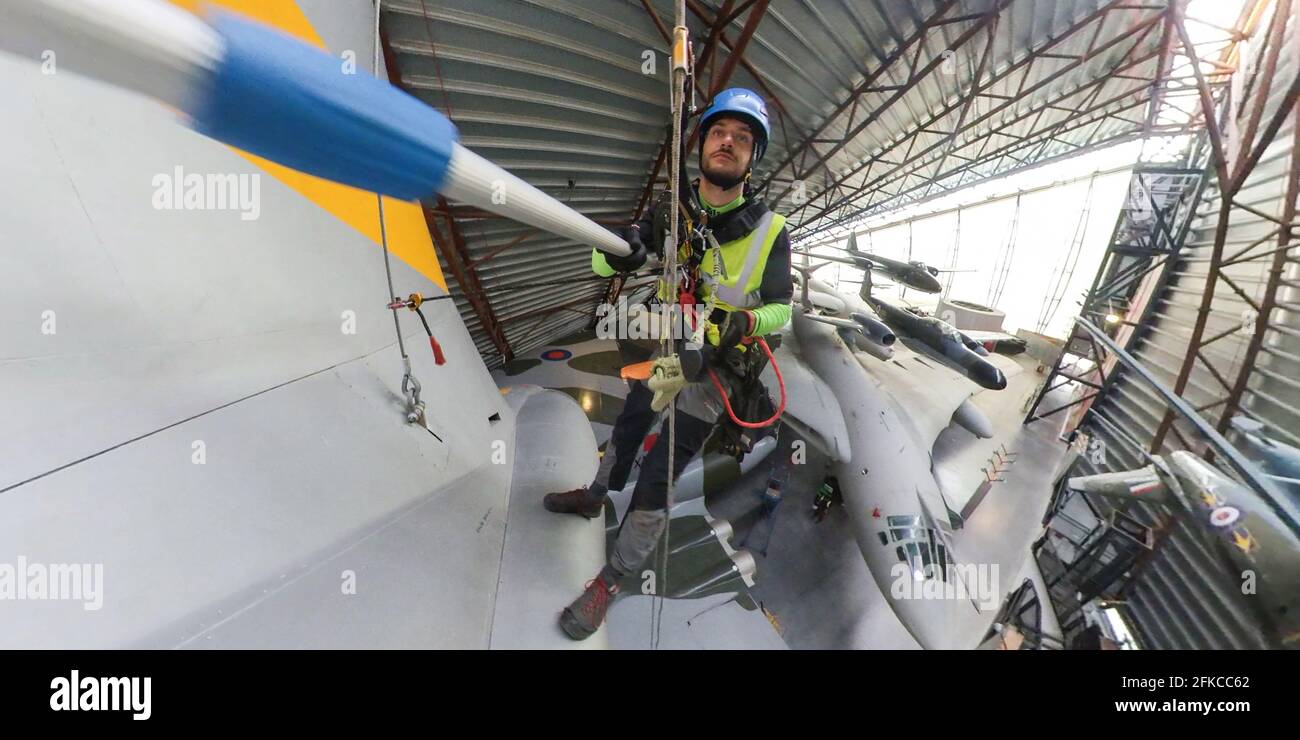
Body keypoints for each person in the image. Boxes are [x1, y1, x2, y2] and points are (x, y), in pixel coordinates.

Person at [541, 87, 794, 640]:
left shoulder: (771, 232)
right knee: (631, 425)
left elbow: (784, 310)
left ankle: (612, 580)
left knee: (660, 473)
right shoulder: (669, 209)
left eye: (743, 138)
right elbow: (599, 257)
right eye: (720, 132)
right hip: (669, 352)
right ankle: (595, 495)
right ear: (702, 143)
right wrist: (619, 248)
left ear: (752, 158)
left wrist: (743, 324)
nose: (729, 142)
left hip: (712, 370)